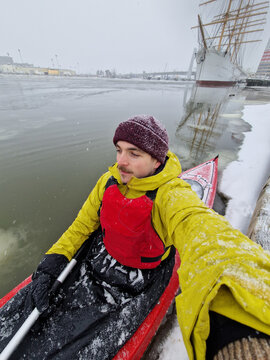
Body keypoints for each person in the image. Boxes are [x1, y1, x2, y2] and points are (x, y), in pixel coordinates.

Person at [1, 115, 270, 360]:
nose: (121, 161)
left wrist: (238, 307)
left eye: (134, 153)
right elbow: (81, 227)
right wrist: (51, 263)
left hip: (139, 277)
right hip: (99, 259)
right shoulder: (108, 181)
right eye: (118, 150)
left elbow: (207, 234)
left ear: (156, 160)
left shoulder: (171, 194)